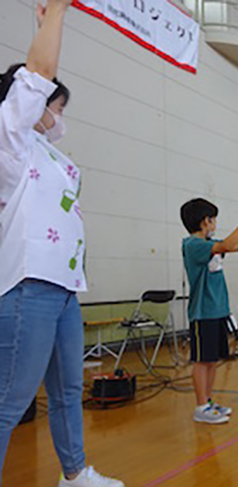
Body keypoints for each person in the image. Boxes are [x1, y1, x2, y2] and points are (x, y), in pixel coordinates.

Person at [0, 2, 124, 485]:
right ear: (25, 101)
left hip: (64, 286)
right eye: (53, 104)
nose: (57, 113)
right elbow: (39, 72)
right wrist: (55, 15)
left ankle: (75, 475)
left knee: (69, 389)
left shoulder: (45, 152)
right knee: (10, 400)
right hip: (29, 285)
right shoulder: (8, 143)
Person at [181, 200, 238, 425]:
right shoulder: (193, 245)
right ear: (205, 221)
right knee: (201, 360)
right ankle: (200, 407)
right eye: (214, 219)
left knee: (212, 360)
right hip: (202, 312)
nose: (215, 223)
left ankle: (207, 402)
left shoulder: (211, 244)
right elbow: (229, 243)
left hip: (218, 311)